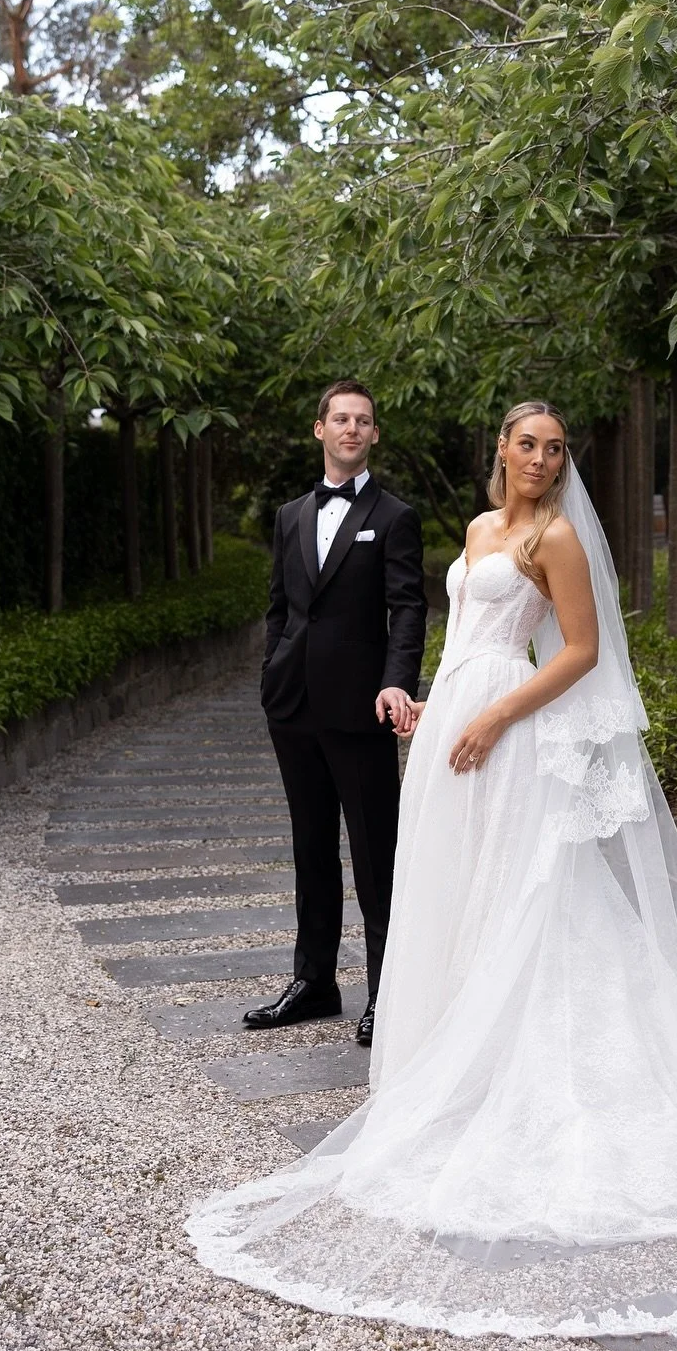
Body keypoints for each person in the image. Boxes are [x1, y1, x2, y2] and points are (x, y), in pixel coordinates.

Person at [190, 401, 677, 1338]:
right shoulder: (479, 528)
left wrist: (495, 716)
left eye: (554, 448)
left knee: (522, 897)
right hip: (452, 715)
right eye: (527, 444)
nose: (540, 459)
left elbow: (581, 651)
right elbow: (461, 633)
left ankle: (534, 1078)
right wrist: (433, 702)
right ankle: (454, 1072)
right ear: (502, 449)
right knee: (453, 893)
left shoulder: (556, 538)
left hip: (508, 726)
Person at [248, 382, 426, 1048]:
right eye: (341, 418)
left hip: (361, 708)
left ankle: (388, 993)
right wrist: (272, 670)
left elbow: (407, 608)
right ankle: (315, 982)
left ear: (375, 434)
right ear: (320, 429)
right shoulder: (291, 515)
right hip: (293, 706)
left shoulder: (395, 516)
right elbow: (280, 606)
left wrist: (396, 683)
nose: (352, 428)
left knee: (377, 856)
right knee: (311, 847)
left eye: (364, 421)